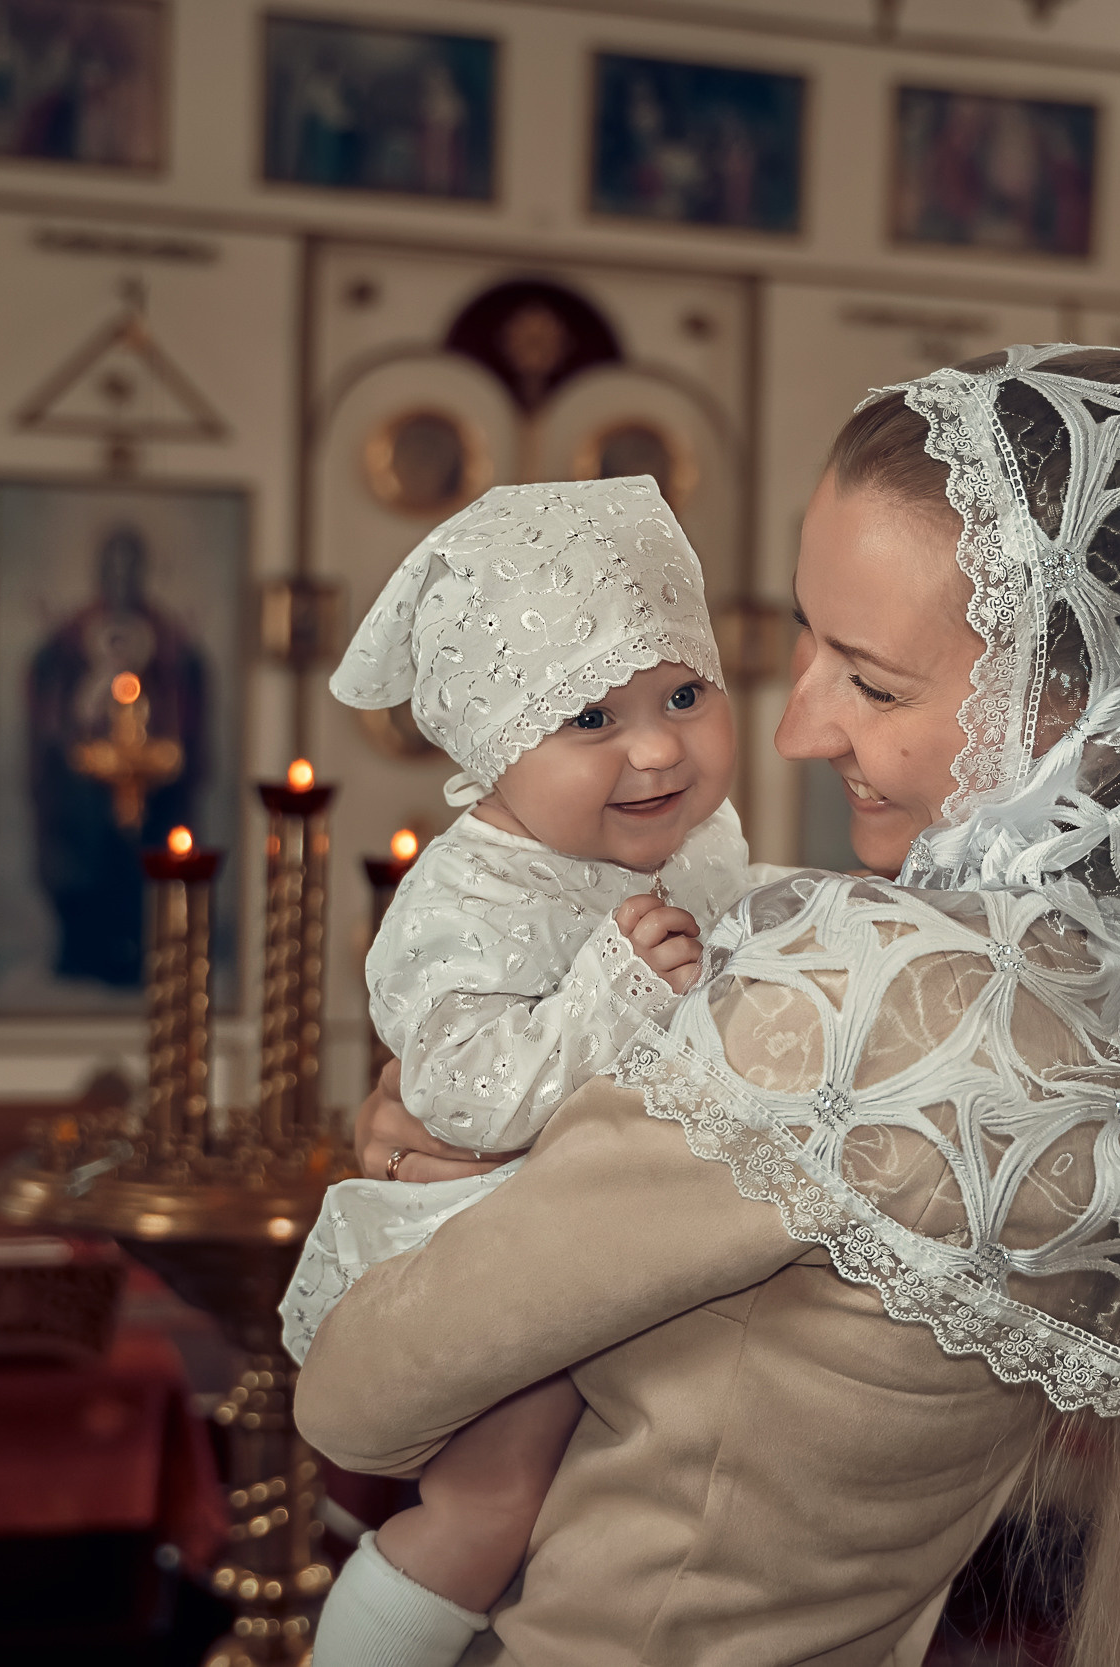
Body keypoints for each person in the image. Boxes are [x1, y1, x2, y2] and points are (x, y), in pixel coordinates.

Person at [299, 345, 1120, 1667]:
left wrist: (453, 1180)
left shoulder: (860, 1017)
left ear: (1080, 716)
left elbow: (357, 1394)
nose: (797, 728)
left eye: (870, 679)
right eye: (801, 639)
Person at [289, 478, 762, 1658]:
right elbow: (458, 1094)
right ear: (493, 748)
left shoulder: (702, 844)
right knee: (487, 1505)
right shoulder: (470, 892)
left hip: (614, 1233)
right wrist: (609, 990)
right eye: (588, 717)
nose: (658, 747)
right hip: (481, 1243)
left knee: (583, 1514)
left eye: (685, 692)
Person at [24, 522, 208, 988]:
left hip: (150, 777)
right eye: (114, 568)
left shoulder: (163, 632)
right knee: (83, 849)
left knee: (141, 853)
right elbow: (52, 683)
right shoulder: (75, 629)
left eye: (131, 568)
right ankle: (84, 946)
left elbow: (184, 686)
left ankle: (138, 945)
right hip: (86, 781)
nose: (122, 578)